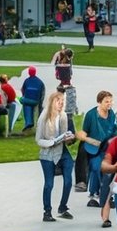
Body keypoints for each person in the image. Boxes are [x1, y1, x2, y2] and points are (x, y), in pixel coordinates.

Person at [35, 91, 77, 222]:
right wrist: (52, 142)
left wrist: (70, 138)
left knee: (69, 181)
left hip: (62, 151)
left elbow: (65, 136)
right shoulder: (44, 117)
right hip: (48, 153)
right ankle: (47, 211)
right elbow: (38, 140)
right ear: (52, 102)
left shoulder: (64, 116)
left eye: (62, 101)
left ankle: (63, 207)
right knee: (49, 184)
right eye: (58, 101)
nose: (61, 104)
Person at [81, 91, 117, 215]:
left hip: (107, 148)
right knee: (99, 167)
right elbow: (85, 133)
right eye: (106, 101)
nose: (109, 104)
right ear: (99, 102)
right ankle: (97, 195)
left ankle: (102, 195)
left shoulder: (111, 114)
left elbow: (114, 130)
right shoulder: (91, 115)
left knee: (109, 169)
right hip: (93, 149)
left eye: (110, 101)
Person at [17, 66, 45, 134]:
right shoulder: (40, 82)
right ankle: (29, 123)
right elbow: (42, 93)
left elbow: (23, 90)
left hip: (28, 100)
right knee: (27, 105)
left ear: (29, 72)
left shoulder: (27, 80)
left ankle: (29, 122)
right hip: (36, 101)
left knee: (21, 100)